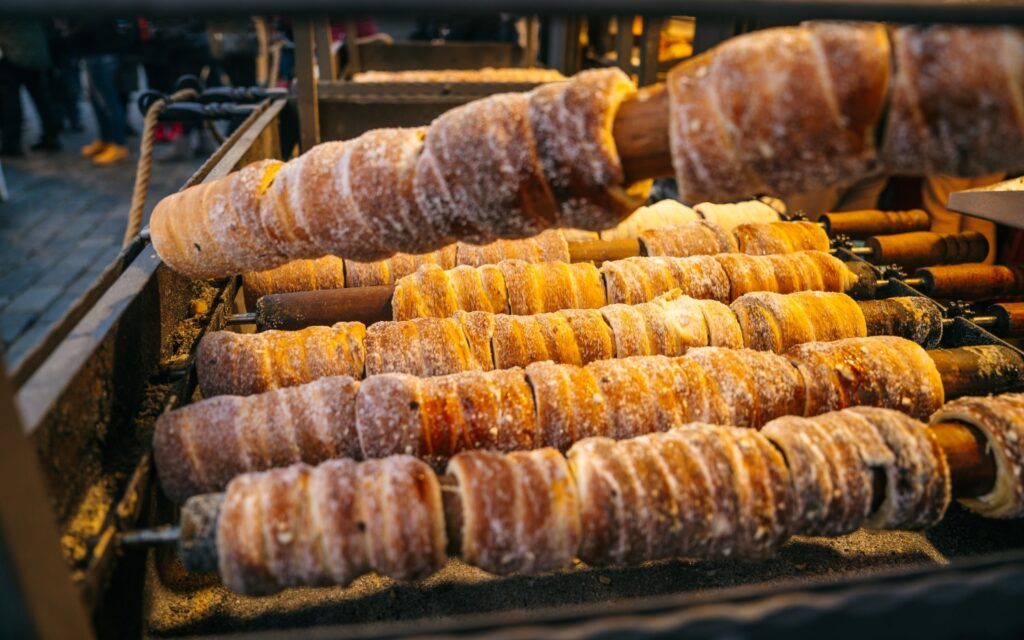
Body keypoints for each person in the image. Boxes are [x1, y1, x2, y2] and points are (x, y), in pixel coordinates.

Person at [70, 20, 138, 166]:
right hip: (95, 51)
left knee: (108, 102)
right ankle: (106, 139)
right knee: (98, 101)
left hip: (102, 51)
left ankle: (118, 144)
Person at [0, 19, 62, 155]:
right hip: (36, 56)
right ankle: (51, 136)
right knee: (42, 99)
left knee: (12, 103)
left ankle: (12, 144)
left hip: (14, 56)